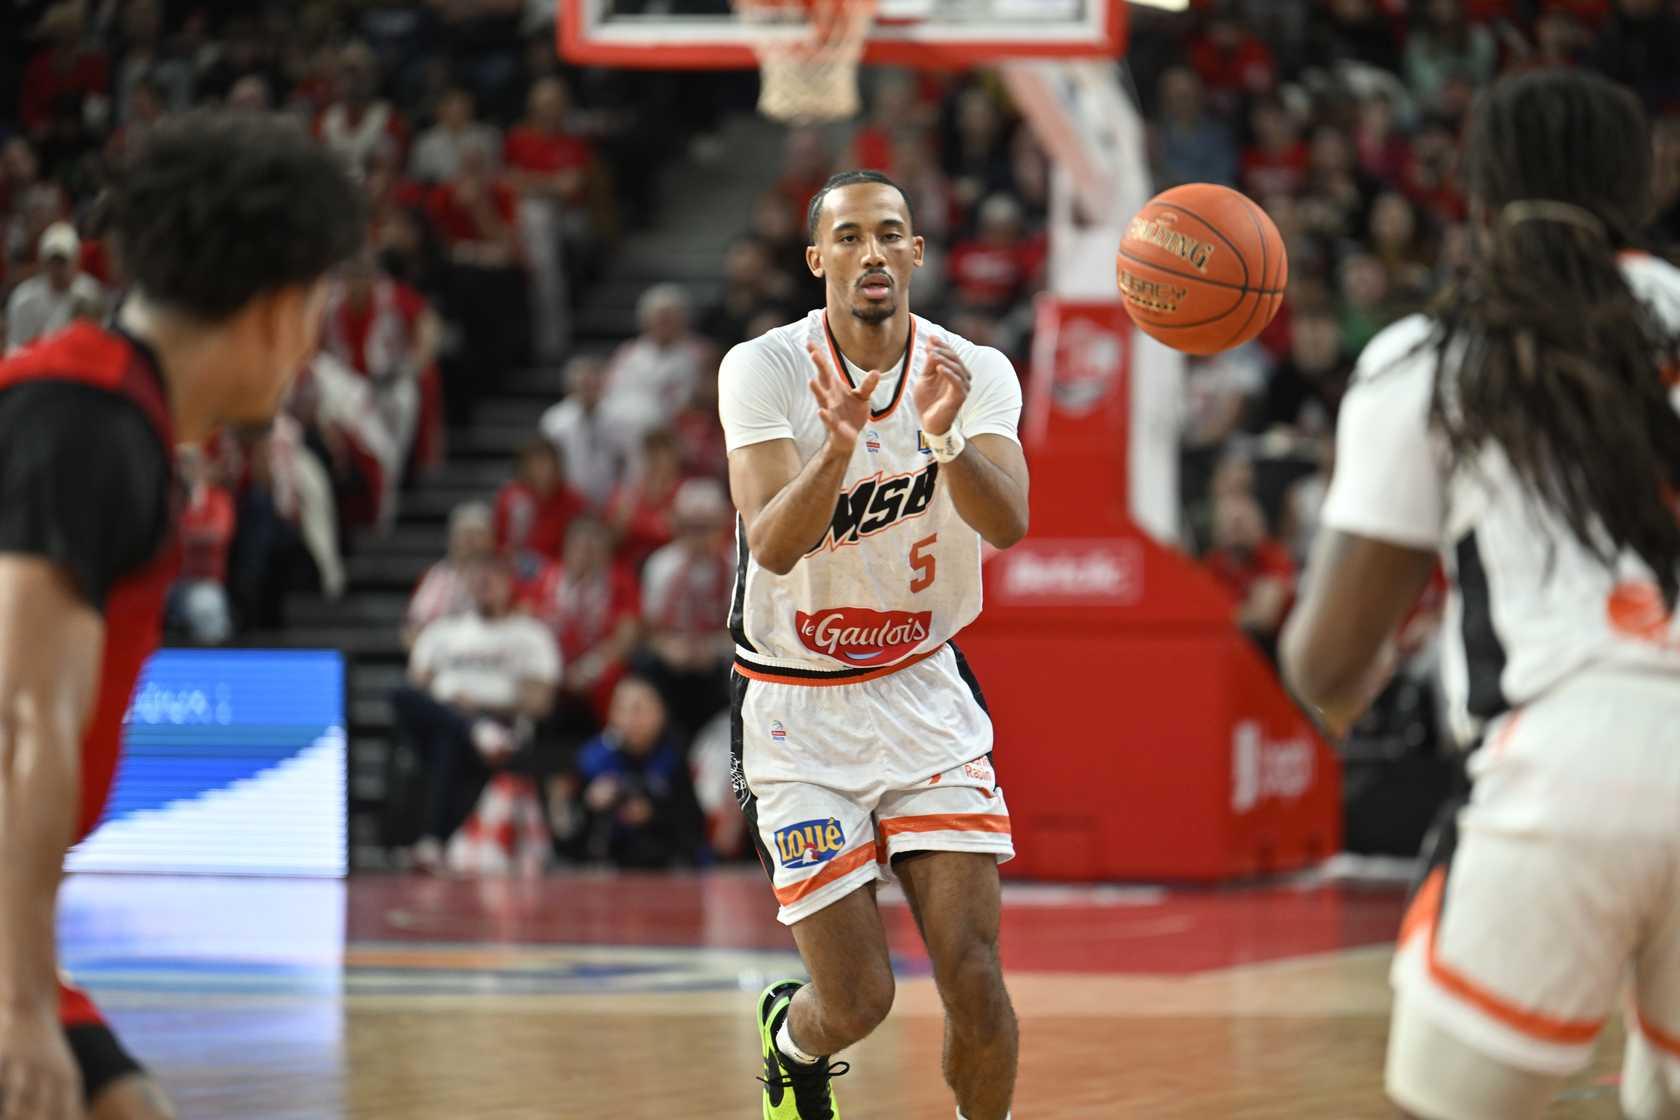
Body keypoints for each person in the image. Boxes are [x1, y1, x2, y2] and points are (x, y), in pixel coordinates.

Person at [1279, 70, 1680, 1120]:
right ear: (1645, 186)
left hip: (1566, 757)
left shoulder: (1432, 355)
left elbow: (1326, 664)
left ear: (1475, 193)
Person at [0, 111, 361, 1120]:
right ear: (276, 307)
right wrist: (22, 1001)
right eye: (319, 305)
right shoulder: (79, 419)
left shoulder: (115, 418)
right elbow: (21, 725)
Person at [719, 168, 1030, 1120]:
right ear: (818, 259)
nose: (872, 253)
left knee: (973, 976)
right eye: (849, 237)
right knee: (858, 1001)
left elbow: (1009, 519)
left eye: (890, 233)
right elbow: (773, 544)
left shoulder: (971, 367)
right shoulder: (763, 368)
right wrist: (839, 446)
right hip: (795, 708)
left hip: (923, 690)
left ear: (917, 253)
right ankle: (791, 1037)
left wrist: (940, 440)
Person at [395, 556, 561, 872]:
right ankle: (472, 728)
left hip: (503, 726)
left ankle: (433, 841)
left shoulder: (528, 635)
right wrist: (461, 714)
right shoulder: (441, 632)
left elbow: (541, 702)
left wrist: (486, 707)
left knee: (450, 738)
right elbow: (417, 688)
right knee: (402, 696)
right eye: (478, 577)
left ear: (508, 584)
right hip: (439, 722)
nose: (484, 585)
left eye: (493, 577)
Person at [635, 478, 736, 741]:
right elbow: (648, 629)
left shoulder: (737, 564)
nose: (700, 537)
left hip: (723, 659)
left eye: (707, 528)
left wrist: (712, 648)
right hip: (674, 658)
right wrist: (667, 646)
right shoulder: (662, 565)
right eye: (692, 528)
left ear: (722, 525)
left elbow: (751, 628)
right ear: (678, 526)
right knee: (645, 666)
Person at [575, 676, 706, 869]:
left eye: (638, 710)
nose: (629, 719)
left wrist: (652, 813)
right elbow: (569, 831)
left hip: (668, 867)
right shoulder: (593, 759)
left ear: (660, 712)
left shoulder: (675, 756)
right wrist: (590, 802)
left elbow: (694, 823)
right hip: (606, 868)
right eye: (621, 709)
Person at [404, 501, 495, 649]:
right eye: (464, 534)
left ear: (490, 540)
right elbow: (410, 631)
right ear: (452, 539)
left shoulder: (502, 578)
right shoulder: (432, 575)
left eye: (477, 534)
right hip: (442, 659)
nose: (469, 541)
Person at [5, 222, 105, 354]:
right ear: (42, 263)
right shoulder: (24, 299)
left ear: (76, 262)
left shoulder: (90, 294)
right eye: (52, 262)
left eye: (62, 262)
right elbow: (15, 347)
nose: (57, 269)